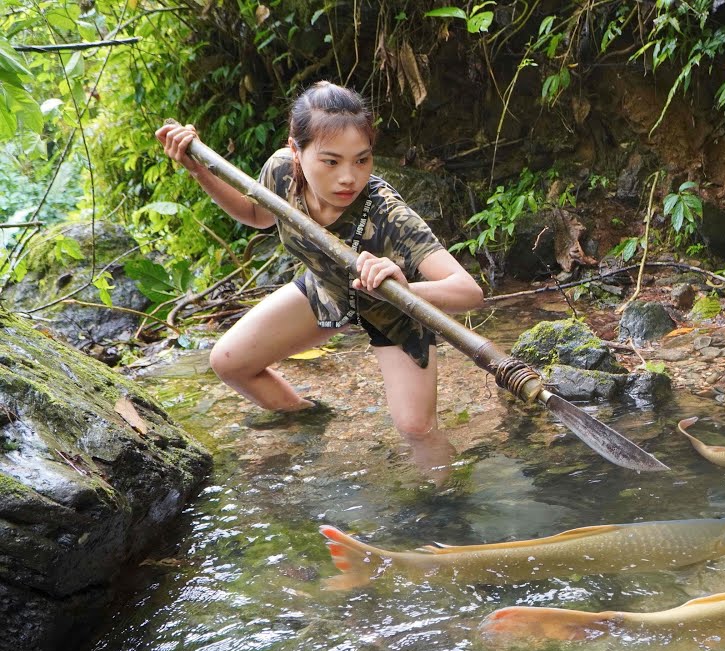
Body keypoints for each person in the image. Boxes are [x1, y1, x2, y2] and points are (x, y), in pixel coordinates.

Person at [156, 81, 484, 470]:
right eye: (331, 161)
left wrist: (404, 287)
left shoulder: (388, 212)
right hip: (326, 289)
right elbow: (257, 215)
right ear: (296, 149)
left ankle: (446, 505)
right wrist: (199, 172)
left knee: (416, 429)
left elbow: (468, 291)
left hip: (392, 311)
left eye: (362, 160)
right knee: (229, 362)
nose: (349, 177)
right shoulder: (280, 170)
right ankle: (308, 419)